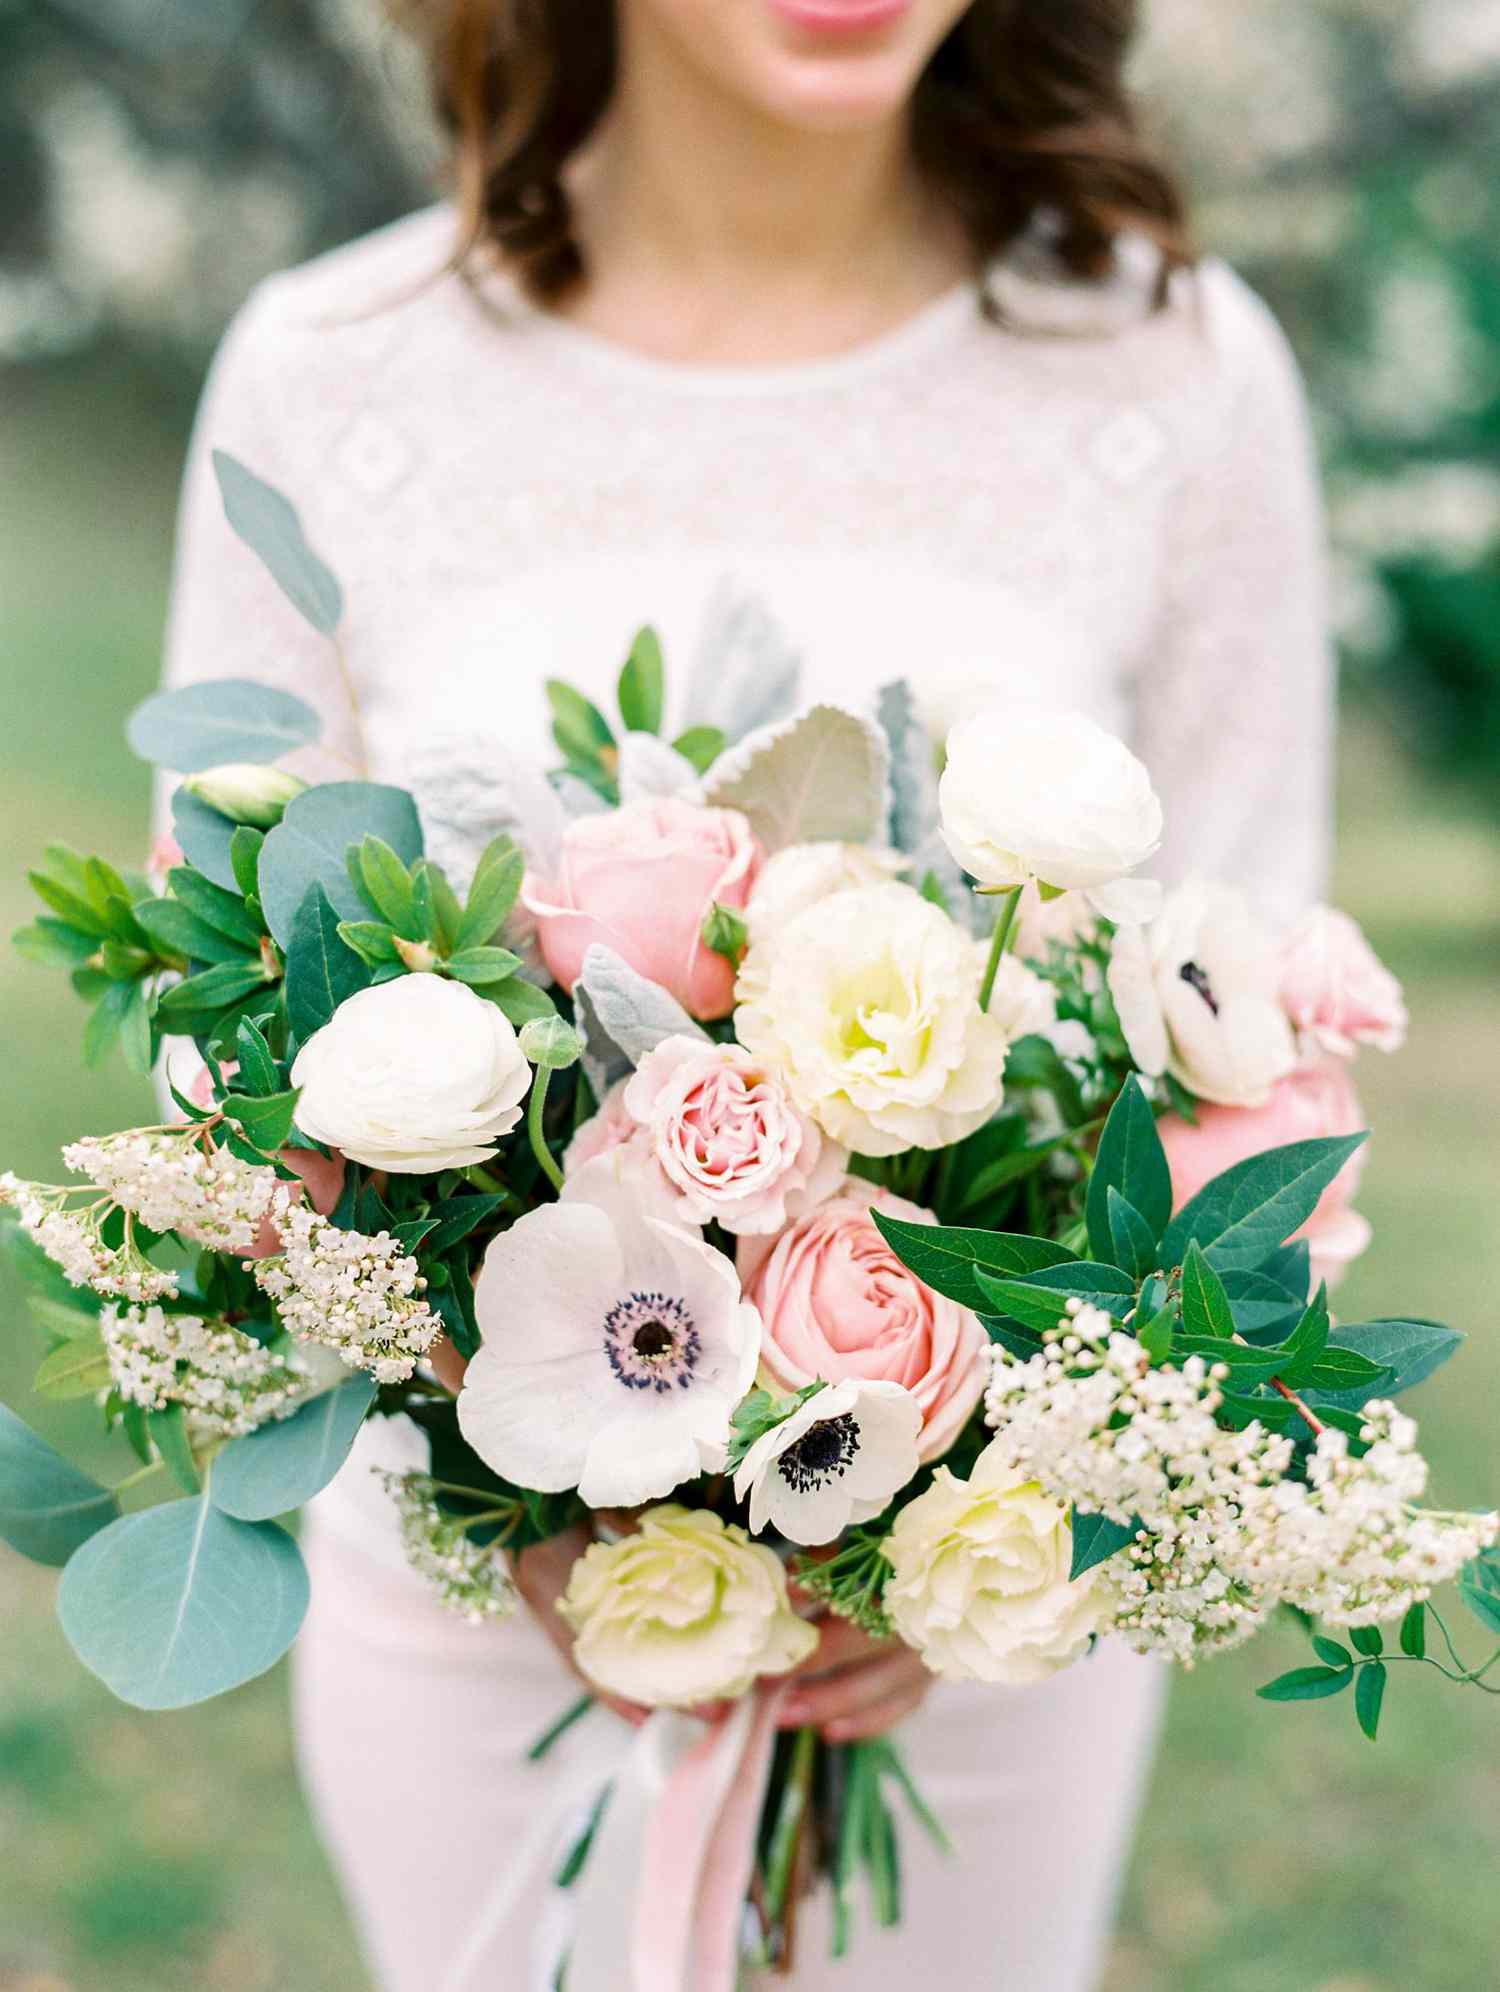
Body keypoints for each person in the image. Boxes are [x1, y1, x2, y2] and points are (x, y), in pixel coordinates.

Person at [160, 2, 1333, 1985]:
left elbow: (1260, 1023)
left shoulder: (1175, 370)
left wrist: (986, 1529)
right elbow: (230, 1026)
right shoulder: (332, 370)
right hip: (477, 1603)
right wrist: (508, 1476)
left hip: (978, 1636)